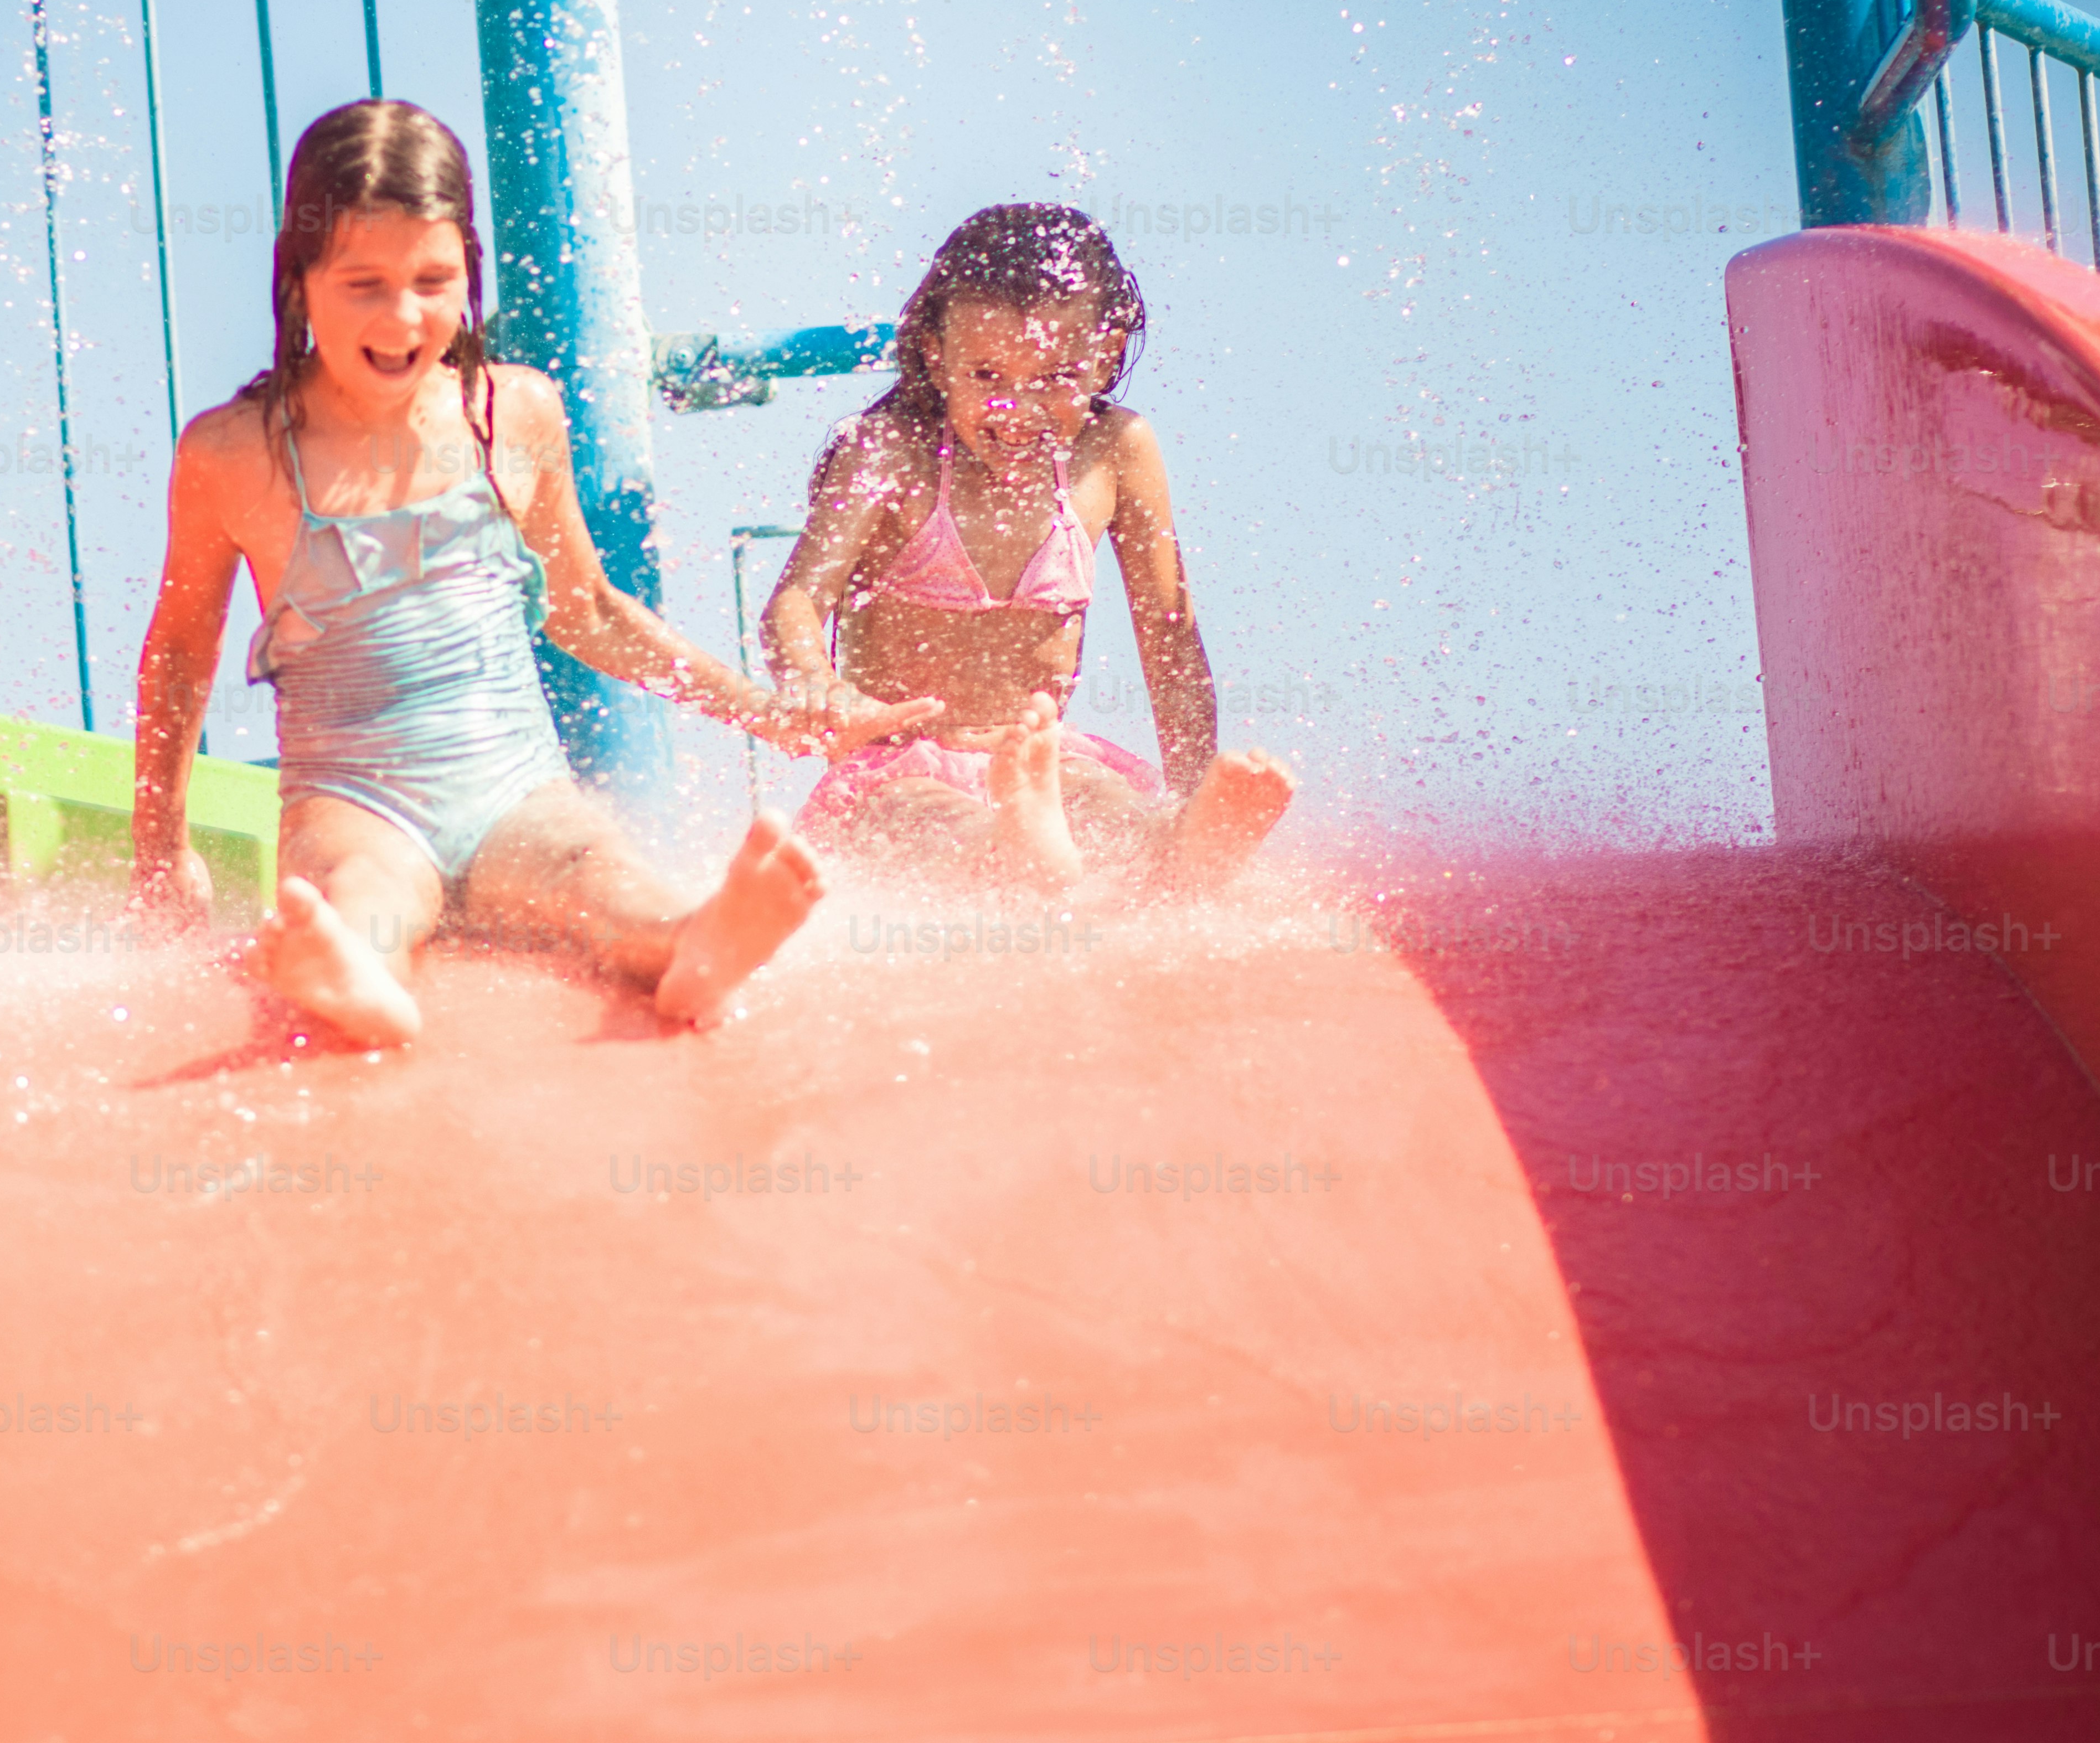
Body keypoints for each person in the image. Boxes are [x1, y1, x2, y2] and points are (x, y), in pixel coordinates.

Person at [132, 100, 936, 1048]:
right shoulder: (236, 454)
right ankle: (356, 979)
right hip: (355, 801)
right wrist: (161, 848)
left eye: (434, 280)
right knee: (361, 895)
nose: (403, 316)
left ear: (469, 267)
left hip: (515, 786)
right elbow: (181, 652)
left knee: (600, 874)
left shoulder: (513, 414)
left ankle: (694, 943)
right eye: (364, 283)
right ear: (299, 278)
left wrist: (769, 712)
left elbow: (588, 609)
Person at [762, 202, 1291, 893]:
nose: (1017, 409)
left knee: (1119, 814)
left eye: (1054, 380)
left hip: (1042, 759)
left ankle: (1184, 843)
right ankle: (1010, 845)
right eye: (985, 377)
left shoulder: (1116, 450)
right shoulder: (888, 453)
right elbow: (798, 601)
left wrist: (1191, 788)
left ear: (1104, 357)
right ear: (934, 353)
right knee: (929, 827)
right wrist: (811, 680)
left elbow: (1169, 641)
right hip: (891, 768)